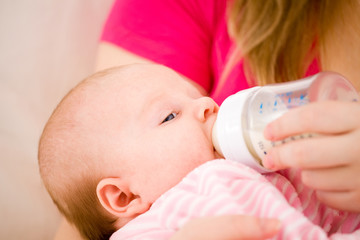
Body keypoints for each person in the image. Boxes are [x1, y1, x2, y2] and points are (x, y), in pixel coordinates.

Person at [55, 0, 360, 239]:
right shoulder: (191, 200)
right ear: (124, 196)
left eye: (196, 95)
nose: (207, 103)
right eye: (170, 116)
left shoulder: (259, 174)